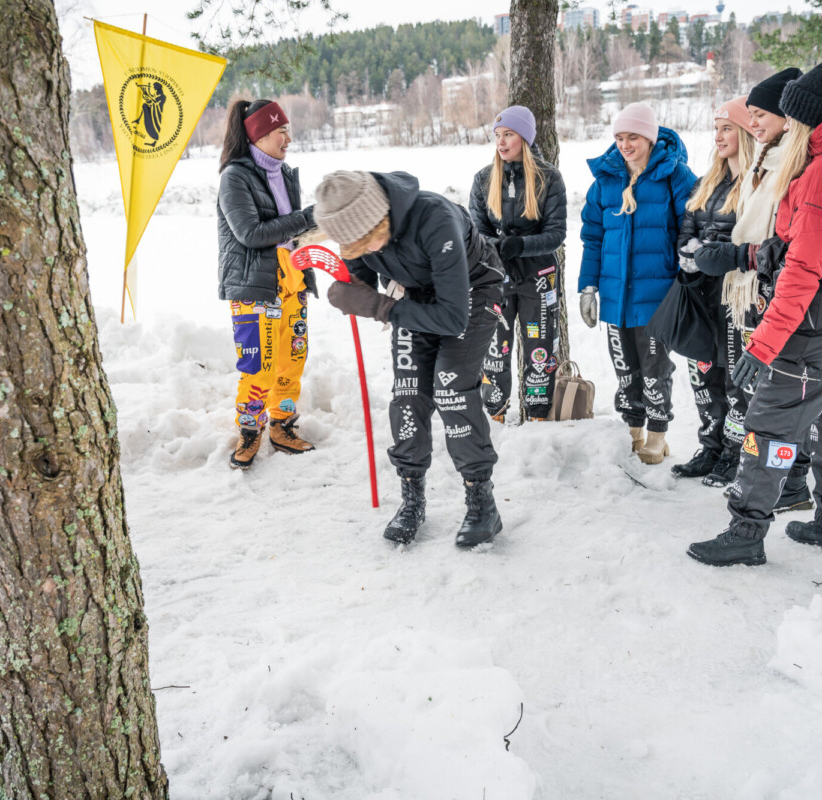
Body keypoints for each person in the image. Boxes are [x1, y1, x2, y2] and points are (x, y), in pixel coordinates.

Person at [688, 60, 822, 566]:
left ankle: (746, 530)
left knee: (773, 415)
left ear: (807, 116)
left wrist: (763, 346)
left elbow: (805, 270)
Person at [313, 170, 506, 547]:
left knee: (451, 386)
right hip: (414, 294)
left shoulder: (435, 219)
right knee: (408, 392)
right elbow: (361, 278)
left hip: (472, 291)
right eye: (358, 247)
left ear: (379, 217)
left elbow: (452, 318)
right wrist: (352, 291)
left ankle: (481, 502)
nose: (370, 251)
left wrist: (378, 306)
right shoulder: (359, 234)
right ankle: (412, 498)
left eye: (371, 241)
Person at [689, 68, 815, 511]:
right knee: (751, 388)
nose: (754, 122)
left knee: (769, 393)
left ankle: (782, 483)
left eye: (759, 114)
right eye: (752, 115)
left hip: (771, 292)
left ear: (786, 115)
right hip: (745, 290)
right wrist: (721, 250)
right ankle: (779, 481)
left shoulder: (791, 163)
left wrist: (738, 255)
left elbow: (786, 239)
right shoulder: (768, 158)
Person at [578, 102, 697, 464]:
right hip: (615, 295)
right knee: (624, 367)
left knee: (655, 366)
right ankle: (632, 429)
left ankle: (658, 434)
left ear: (650, 136)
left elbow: (690, 231)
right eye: (619, 137)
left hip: (657, 295)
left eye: (633, 137)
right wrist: (588, 287)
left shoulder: (676, 176)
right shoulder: (605, 181)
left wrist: (684, 279)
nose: (625, 145)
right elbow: (593, 238)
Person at [217, 98, 318, 470]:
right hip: (254, 285)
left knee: (292, 361)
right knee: (258, 366)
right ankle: (249, 432)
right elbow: (249, 233)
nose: (288, 139)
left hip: (291, 279)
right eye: (281, 131)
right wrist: (305, 217)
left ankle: (282, 425)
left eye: (288, 130)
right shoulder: (235, 176)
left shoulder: (283, 173)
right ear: (259, 135)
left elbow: (291, 232)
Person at [671, 97, 755, 479]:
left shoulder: (757, 180)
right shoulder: (710, 180)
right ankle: (711, 445)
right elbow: (688, 223)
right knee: (703, 376)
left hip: (737, 296)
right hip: (701, 295)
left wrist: (710, 252)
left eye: (727, 128)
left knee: (736, 379)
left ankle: (735, 454)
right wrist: (687, 252)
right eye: (716, 128)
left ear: (746, 132)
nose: (718, 136)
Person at [468, 106, 567, 422]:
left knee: (539, 351)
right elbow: (476, 234)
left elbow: (556, 234)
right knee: (495, 351)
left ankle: (538, 415)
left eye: (508, 134)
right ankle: (494, 415)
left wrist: (521, 244)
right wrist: (499, 247)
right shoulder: (484, 178)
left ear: (524, 137)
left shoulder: (548, 177)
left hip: (538, 277)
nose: (501, 142)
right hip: (495, 279)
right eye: (497, 136)